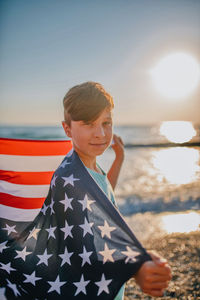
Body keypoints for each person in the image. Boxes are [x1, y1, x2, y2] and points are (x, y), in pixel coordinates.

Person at [0, 81, 171, 300]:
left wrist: (119, 159)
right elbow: (85, 248)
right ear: (67, 129)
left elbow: (102, 197)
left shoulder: (88, 166)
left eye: (106, 122)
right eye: (89, 123)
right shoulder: (68, 178)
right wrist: (136, 265)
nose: (100, 133)